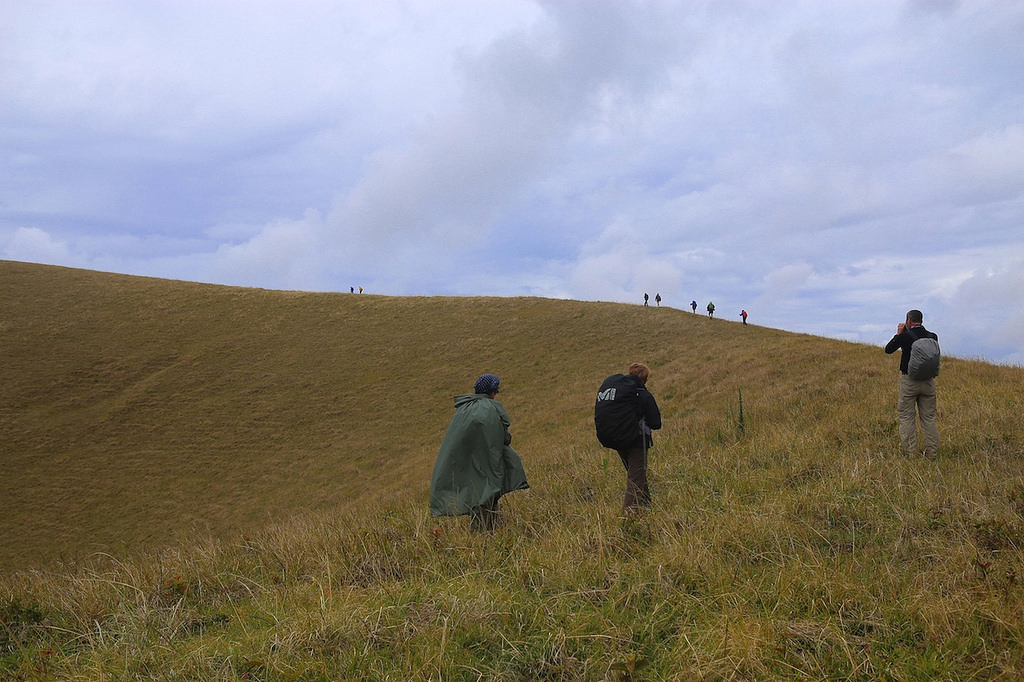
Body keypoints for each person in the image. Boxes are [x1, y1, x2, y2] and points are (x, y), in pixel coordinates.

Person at [430, 373, 529, 531]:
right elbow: (504, 438)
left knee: (478, 499)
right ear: (492, 391)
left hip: (467, 464)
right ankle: (485, 537)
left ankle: (484, 534)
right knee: (487, 499)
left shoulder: (463, 408)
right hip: (487, 464)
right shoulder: (490, 408)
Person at [594, 362, 662, 511]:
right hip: (637, 441)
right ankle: (629, 515)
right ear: (645, 379)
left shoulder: (621, 393)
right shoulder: (643, 394)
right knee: (635, 477)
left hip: (617, 438)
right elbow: (656, 423)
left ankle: (646, 505)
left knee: (636, 474)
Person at [884, 310, 939, 458]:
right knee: (929, 418)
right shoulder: (932, 336)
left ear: (908, 320)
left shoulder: (905, 336)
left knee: (907, 417)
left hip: (909, 381)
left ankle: (911, 453)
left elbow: (888, 350)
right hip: (928, 381)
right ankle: (932, 453)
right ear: (921, 320)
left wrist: (899, 333)